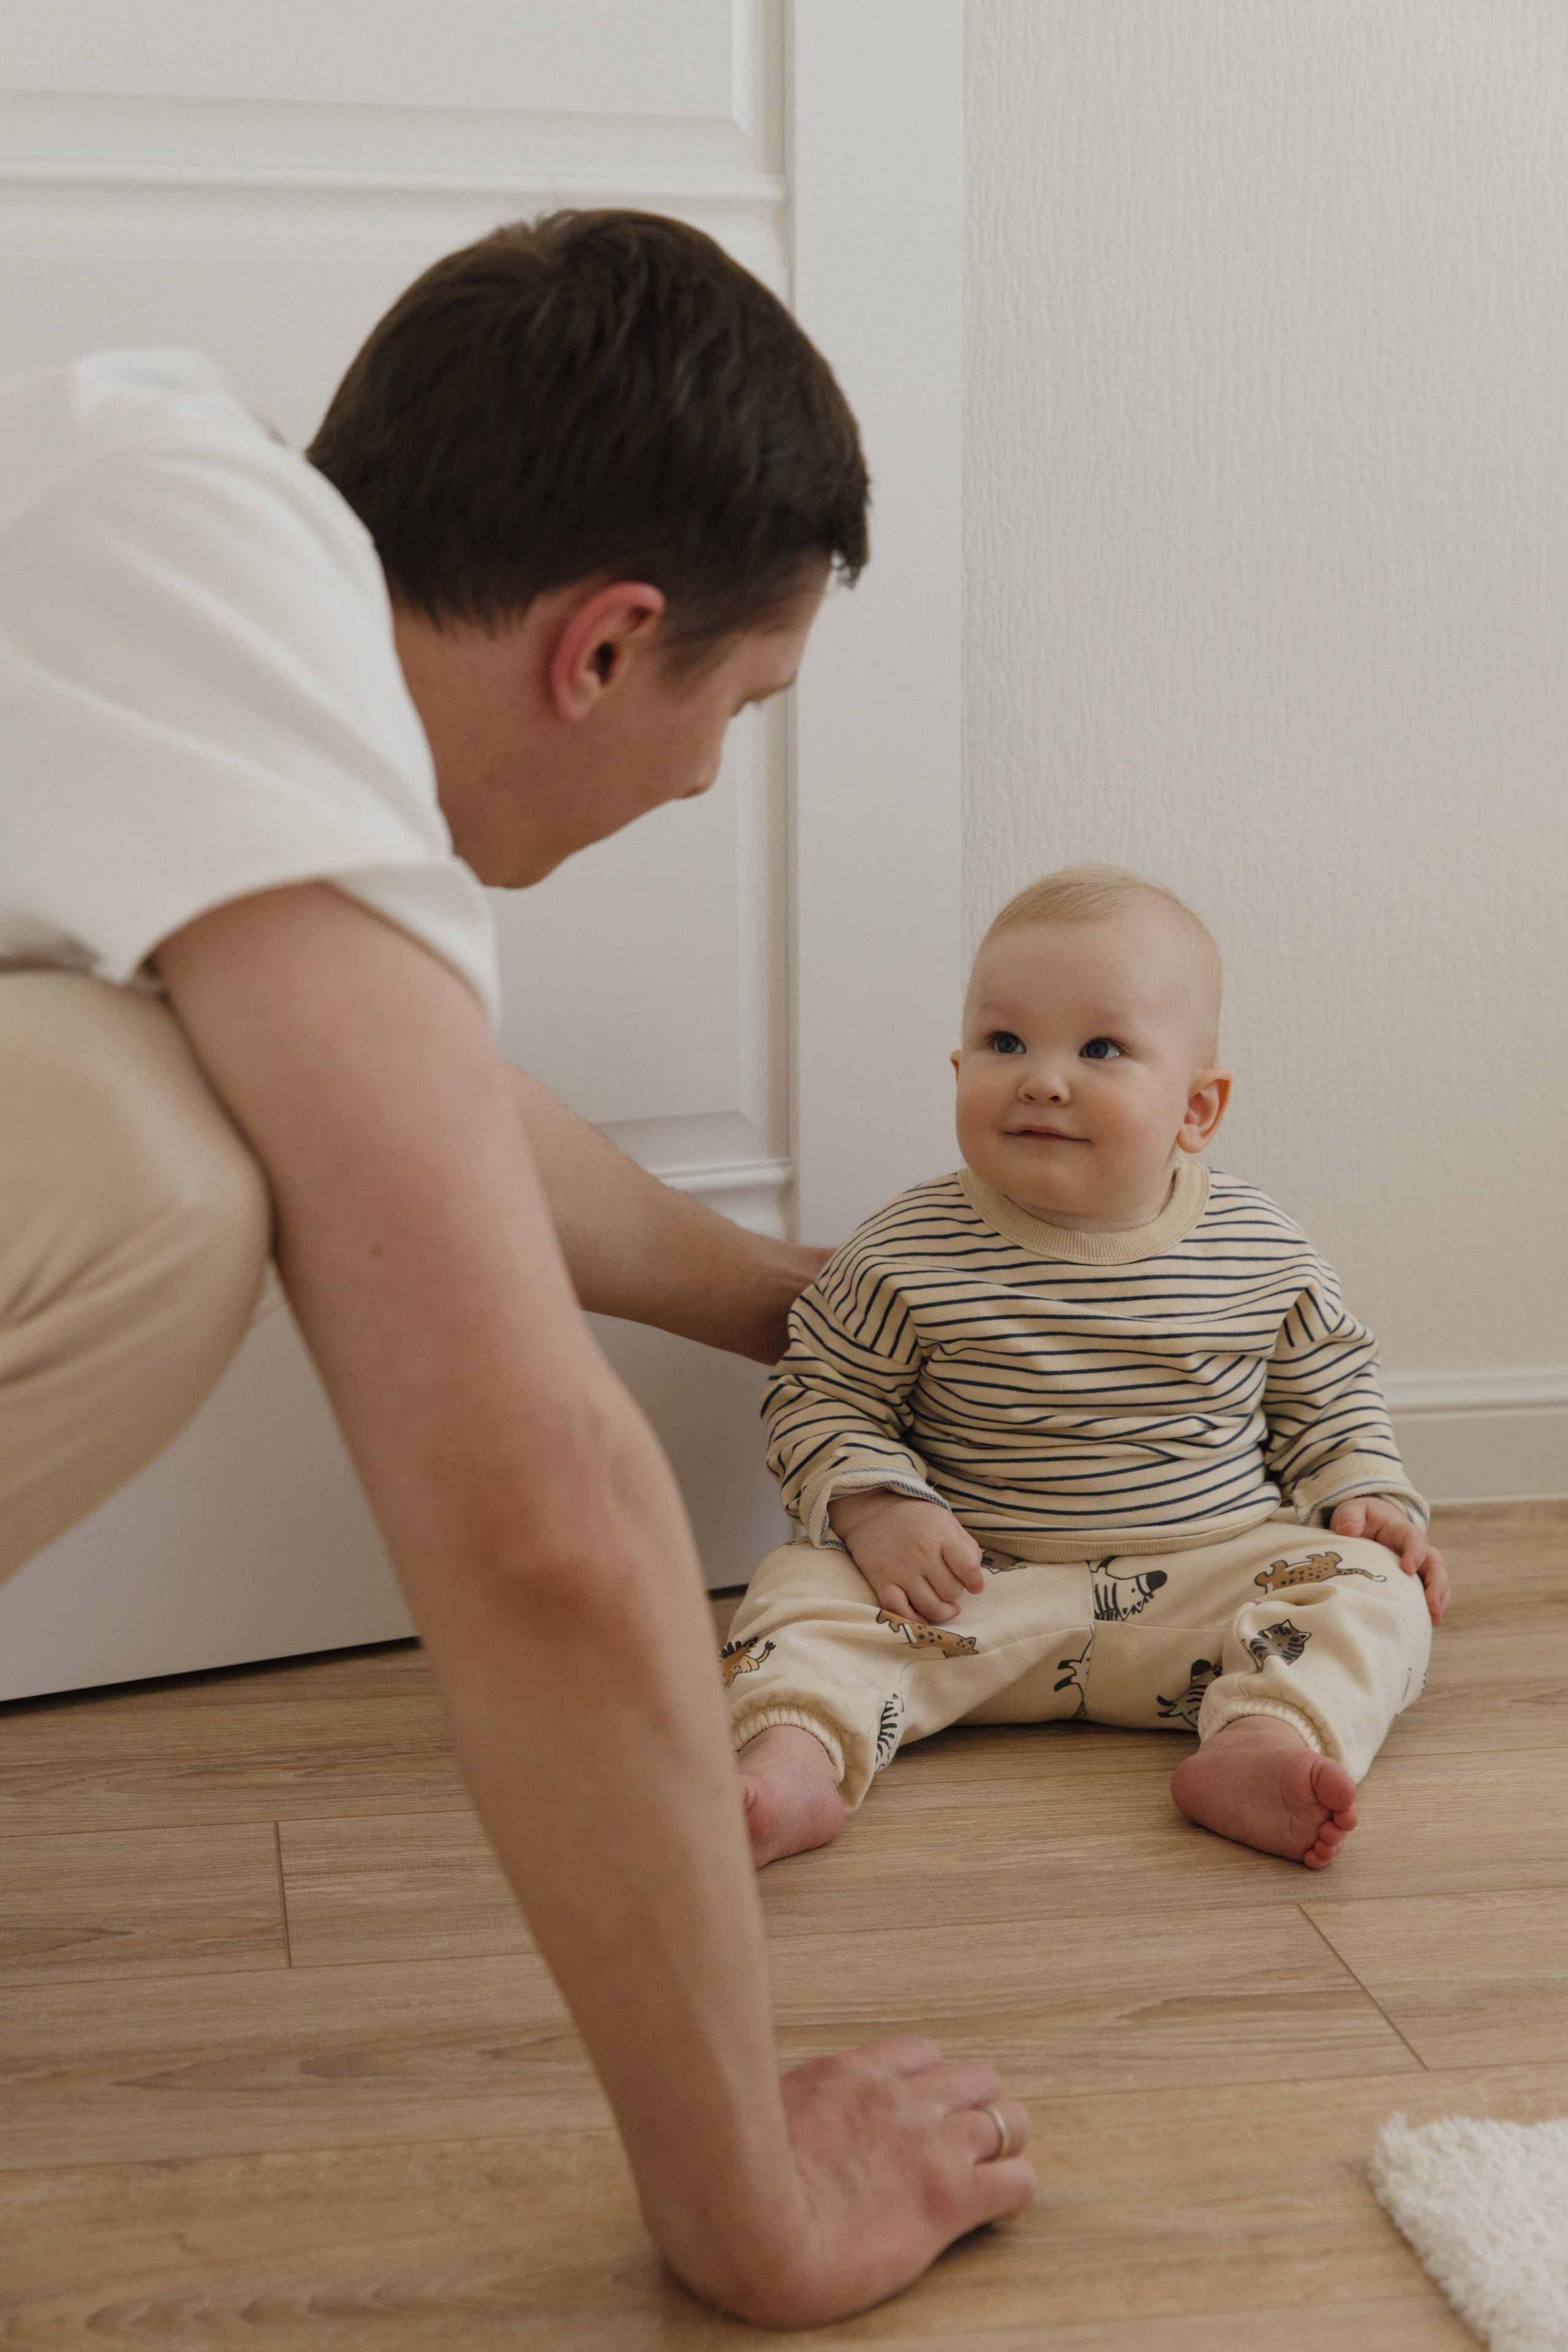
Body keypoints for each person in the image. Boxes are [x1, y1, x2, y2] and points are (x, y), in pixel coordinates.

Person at [0, 211, 1033, 2328]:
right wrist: (756, 2195)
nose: (701, 772)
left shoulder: (177, 552)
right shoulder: (206, 566)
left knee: (197, 1088)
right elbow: (537, 1521)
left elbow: (419, 1104)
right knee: (154, 1164)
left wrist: (793, 1305)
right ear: (602, 643)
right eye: (737, 702)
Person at [728, 865, 1450, 1874]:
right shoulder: (903, 1252)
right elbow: (819, 1392)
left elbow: (1328, 1397)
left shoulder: (1260, 1250)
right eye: (1005, 1042)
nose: (1042, 1077)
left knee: (1377, 1590)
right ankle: (796, 1758)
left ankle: (1263, 1738)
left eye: (1101, 1048)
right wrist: (875, 1508)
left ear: (1198, 1109)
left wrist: (1367, 1492)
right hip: (969, 1595)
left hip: (1209, 1593)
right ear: (957, 1067)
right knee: (799, 1589)